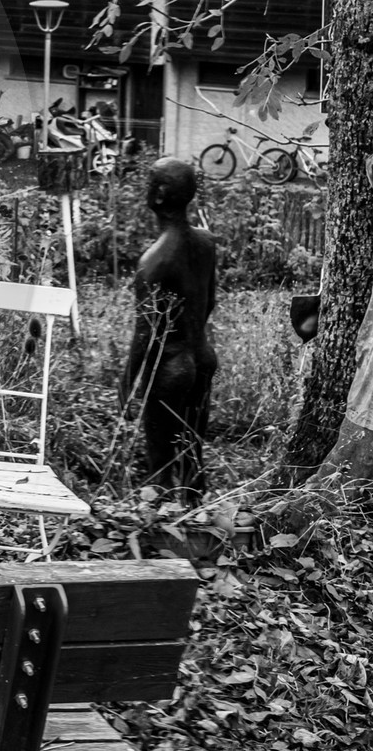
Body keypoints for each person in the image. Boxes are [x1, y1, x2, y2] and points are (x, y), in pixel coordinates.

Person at [123, 156, 218, 496]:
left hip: (171, 367)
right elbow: (209, 302)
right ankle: (198, 519)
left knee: (160, 459)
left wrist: (127, 383)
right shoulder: (206, 242)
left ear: (160, 194)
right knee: (192, 453)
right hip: (203, 356)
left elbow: (145, 334)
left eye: (148, 181)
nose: (145, 188)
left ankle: (161, 525)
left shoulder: (154, 261)